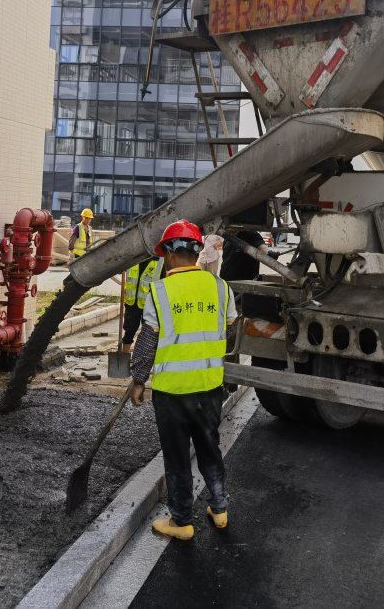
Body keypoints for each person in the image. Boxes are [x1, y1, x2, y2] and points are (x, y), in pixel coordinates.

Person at [128, 220, 238, 541]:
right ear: (194, 252)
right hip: (209, 388)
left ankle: (181, 521)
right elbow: (230, 330)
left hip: (172, 393)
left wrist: (137, 380)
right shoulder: (220, 287)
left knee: (177, 456)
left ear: (171, 256)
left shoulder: (160, 291)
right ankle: (219, 509)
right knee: (209, 447)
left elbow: (147, 341)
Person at [120, 255, 163, 348]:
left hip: (150, 305)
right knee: (129, 331)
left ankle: (146, 358)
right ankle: (125, 357)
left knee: (149, 334)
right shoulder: (133, 257)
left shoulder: (160, 261)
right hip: (132, 303)